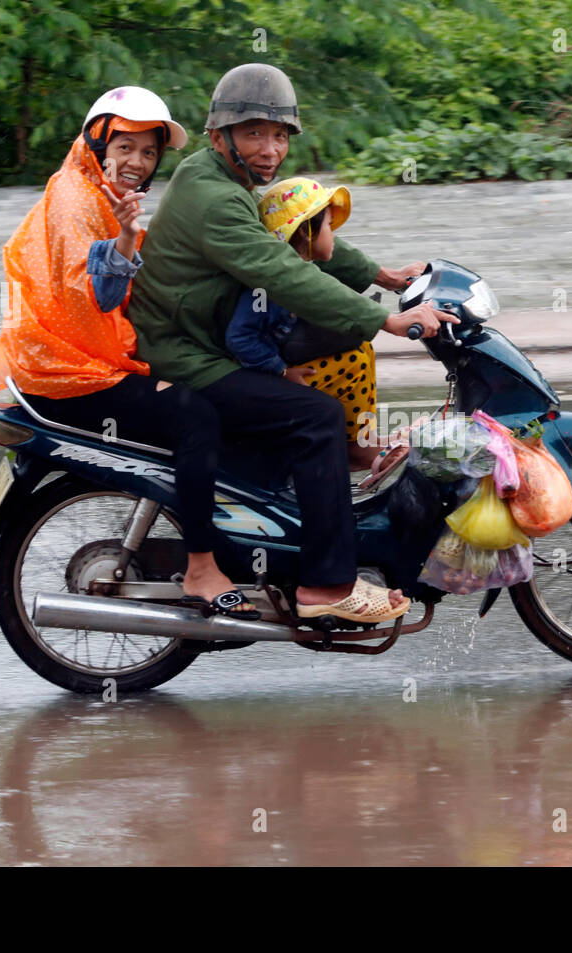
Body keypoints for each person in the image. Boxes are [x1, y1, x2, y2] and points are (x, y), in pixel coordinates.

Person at [127, 63, 458, 625]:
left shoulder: (223, 182)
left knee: (336, 354)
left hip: (209, 336)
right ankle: (327, 586)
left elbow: (300, 237)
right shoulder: (216, 199)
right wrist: (386, 322)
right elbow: (281, 270)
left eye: (279, 135)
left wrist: (386, 277)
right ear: (219, 135)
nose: (270, 148)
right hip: (188, 354)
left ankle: (308, 496)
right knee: (317, 417)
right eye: (254, 132)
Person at [0, 85, 259, 620]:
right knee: (196, 417)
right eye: (125, 147)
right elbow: (94, 298)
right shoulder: (75, 200)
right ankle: (203, 568)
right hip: (69, 372)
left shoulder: (98, 196)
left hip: (75, 359)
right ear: (97, 144)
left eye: (149, 151)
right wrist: (128, 240)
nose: (137, 161)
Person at [224, 176, 385, 470]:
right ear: (305, 233)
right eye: (327, 226)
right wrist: (281, 371)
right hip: (264, 379)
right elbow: (240, 337)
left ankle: (361, 440)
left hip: (279, 365)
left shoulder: (303, 269)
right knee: (353, 363)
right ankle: (356, 449)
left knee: (362, 350)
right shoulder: (269, 285)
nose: (334, 235)